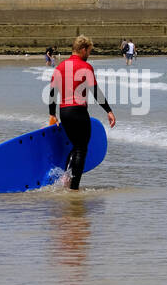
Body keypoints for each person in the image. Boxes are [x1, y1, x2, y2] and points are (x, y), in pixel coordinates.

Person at [47, 35, 116, 190]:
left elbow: (52, 92)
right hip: (79, 112)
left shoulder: (60, 67)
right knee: (81, 148)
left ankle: (66, 178)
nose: (89, 54)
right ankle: (73, 187)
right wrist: (108, 110)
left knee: (75, 146)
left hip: (64, 112)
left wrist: (52, 114)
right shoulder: (86, 67)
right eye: (89, 51)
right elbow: (95, 92)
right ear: (83, 49)